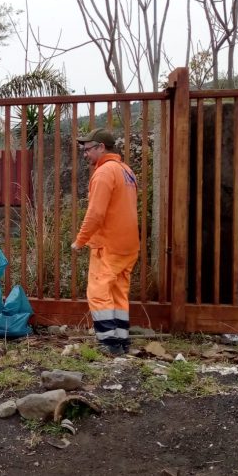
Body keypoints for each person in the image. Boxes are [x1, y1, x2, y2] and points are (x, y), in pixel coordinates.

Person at [71, 128, 139, 356]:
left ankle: (109, 343)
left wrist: (80, 241)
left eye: (88, 149)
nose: (85, 154)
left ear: (101, 147)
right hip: (128, 244)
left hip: (107, 244)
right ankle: (121, 339)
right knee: (119, 291)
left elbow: (96, 213)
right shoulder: (126, 171)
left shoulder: (103, 173)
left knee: (98, 292)